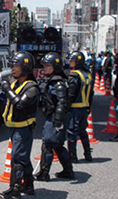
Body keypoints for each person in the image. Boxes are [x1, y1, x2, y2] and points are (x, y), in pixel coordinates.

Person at [0, 51, 40, 199]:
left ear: (25, 68)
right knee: (22, 157)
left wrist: (7, 90)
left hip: (23, 128)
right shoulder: (15, 82)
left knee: (17, 158)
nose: (13, 69)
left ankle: (14, 189)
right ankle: (28, 185)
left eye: (16, 66)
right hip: (15, 127)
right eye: (12, 65)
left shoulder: (32, 87)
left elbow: (20, 104)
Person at [34, 52, 74, 182]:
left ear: (55, 66)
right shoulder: (56, 80)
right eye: (44, 65)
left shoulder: (58, 83)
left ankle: (44, 173)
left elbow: (62, 102)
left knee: (48, 144)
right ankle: (68, 171)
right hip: (57, 116)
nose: (45, 68)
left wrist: (57, 120)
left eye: (48, 65)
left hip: (55, 117)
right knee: (57, 145)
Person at [67, 51, 93, 163]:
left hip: (75, 108)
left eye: (71, 60)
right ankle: (88, 154)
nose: (69, 62)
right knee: (83, 132)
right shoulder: (88, 74)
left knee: (71, 133)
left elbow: (71, 95)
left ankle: (73, 157)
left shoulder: (74, 75)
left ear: (76, 62)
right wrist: (88, 108)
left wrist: (65, 106)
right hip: (84, 107)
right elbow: (91, 94)